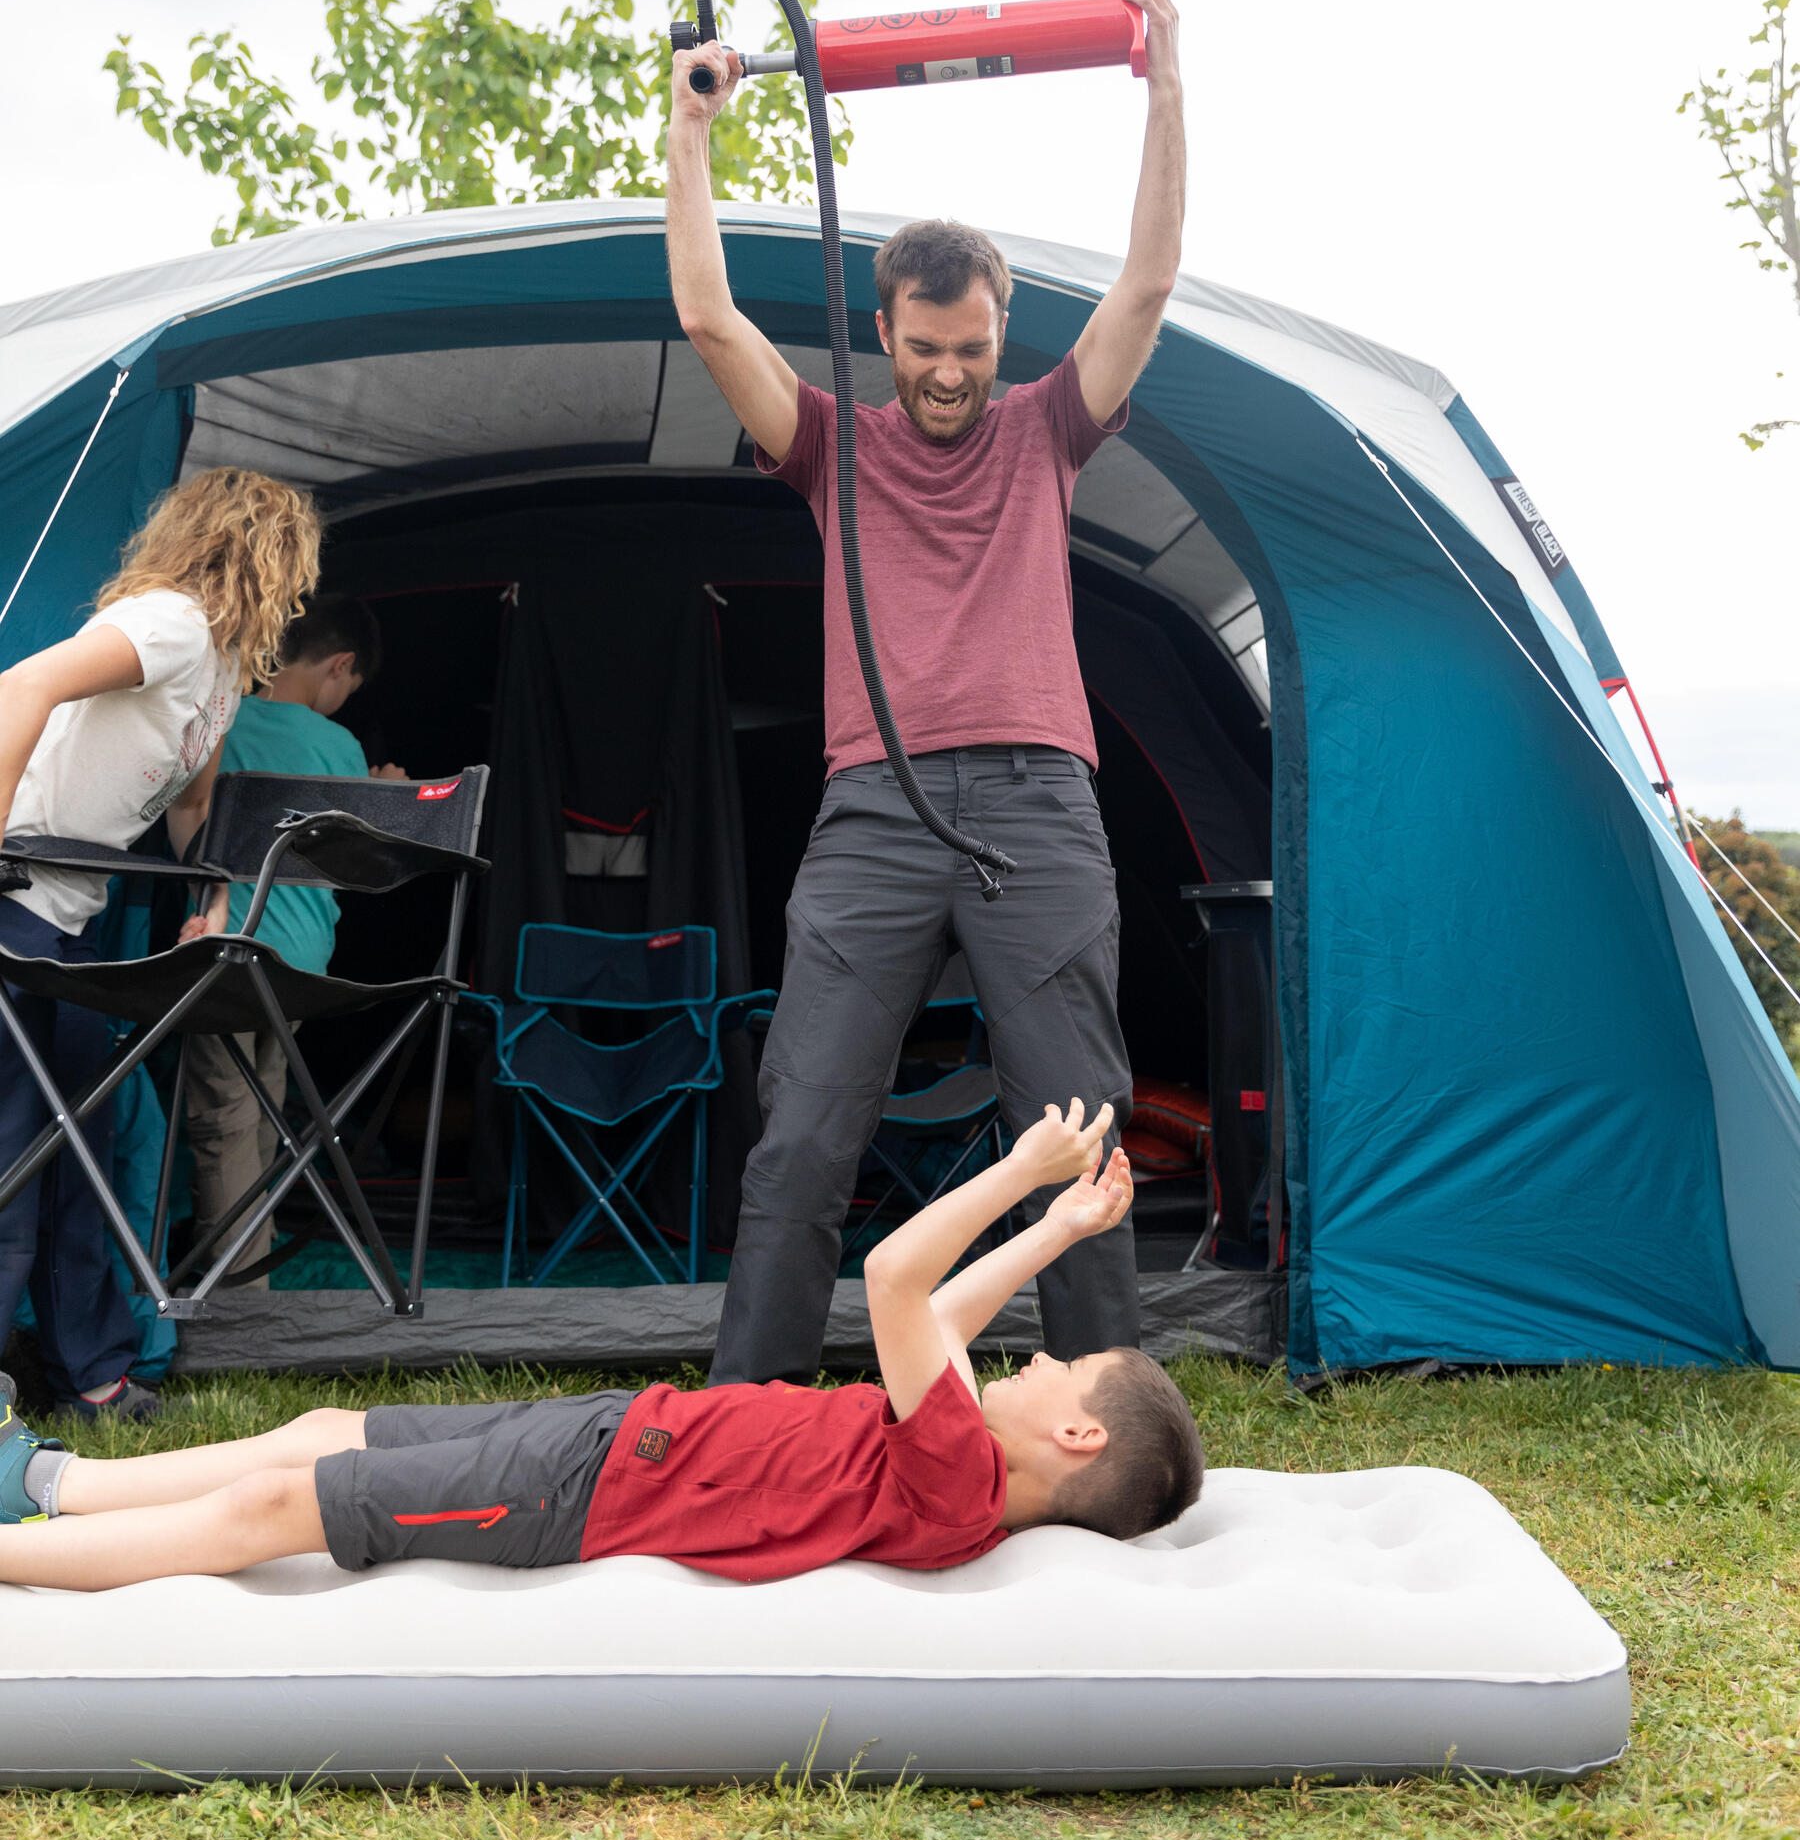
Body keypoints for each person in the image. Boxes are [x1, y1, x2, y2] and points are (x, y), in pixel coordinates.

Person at [665, 0, 1187, 1385]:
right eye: (925, 346)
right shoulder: (833, 441)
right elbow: (712, 320)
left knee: (1076, 1125)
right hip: (876, 811)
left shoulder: (1047, 432)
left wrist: (1165, 79)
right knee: (807, 1122)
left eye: (971, 349)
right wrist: (693, 128)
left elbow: (1145, 285)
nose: (949, 374)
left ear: (996, 336)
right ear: (883, 331)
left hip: (1036, 806)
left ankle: (1100, 1415)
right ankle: (743, 1424)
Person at [0, 1099, 1202, 1587]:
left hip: (587, 1499)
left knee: (282, 1503)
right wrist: (1058, 1225)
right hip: (617, 1436)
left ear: (1077, 1431)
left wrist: (1013, 1172)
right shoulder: (962, 1459)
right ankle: (51, 1480)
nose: (1036, 1362)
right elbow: (939, 1325)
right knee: (327, 1427)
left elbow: (899, 1281)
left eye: (1061, 1369)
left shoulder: (963, 1483)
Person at [0, 468, 321, 1419]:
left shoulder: (222, 668)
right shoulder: (171, 622)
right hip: (15, 903)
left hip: (74, 922)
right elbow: (25, 680)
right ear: (265, 553)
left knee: (82, 1156)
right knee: (16, 1154)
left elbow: (192, 802)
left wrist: (210, 892)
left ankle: (92, 1379)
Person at [177, 594, 407, 1283]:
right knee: (265, 1108)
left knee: (223, 1114)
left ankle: (236, 1280)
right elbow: (367, 862)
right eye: (350, 687)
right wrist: (386, 793)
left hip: (224, 949)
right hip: (304, 963)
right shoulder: (340, 746)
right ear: (340, 666)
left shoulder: (226, 719)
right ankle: (249, 1274)